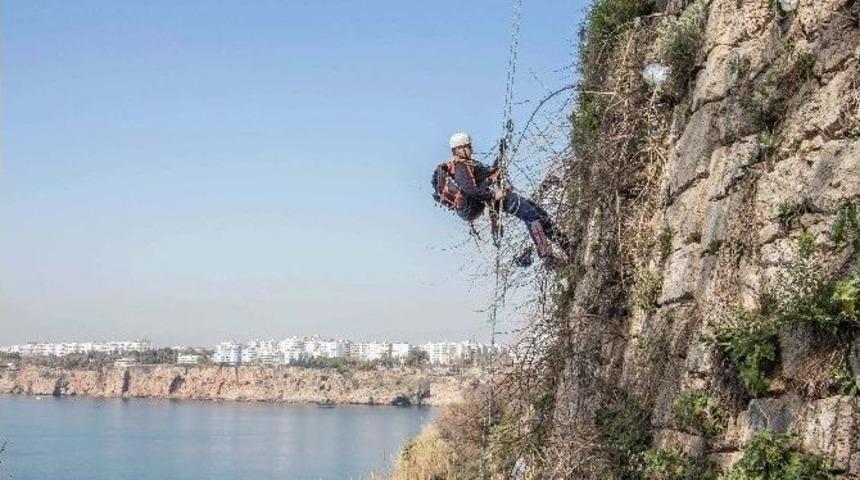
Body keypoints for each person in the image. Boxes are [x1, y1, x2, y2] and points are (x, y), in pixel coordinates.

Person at [432, 132, 570, 265]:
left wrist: (501, 154)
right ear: (458, 149)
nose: (471, 149)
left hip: (489, 198)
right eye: (468, 146)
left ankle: (566, 246)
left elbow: (490, 173)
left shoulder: (470, 164)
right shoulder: (460, 168)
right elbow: (471, 190)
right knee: (531, 215)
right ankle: (545, 253)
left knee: (538, 213)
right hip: (489, 200)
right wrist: (494, 195)